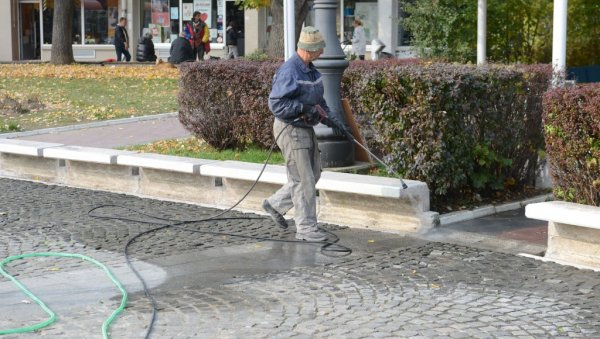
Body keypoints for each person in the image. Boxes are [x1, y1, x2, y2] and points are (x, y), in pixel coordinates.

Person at [262, 26, 346, 242]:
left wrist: (330, 119)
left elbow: (318, 101)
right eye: (320, 49)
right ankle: (307, 228)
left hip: (305, 127)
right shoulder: (290, 71)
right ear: (310, 49)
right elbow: (276, 104)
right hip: (290, 129)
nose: (322, 53)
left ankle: (275, 204)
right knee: (303, 179)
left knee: (314, 173)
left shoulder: (311, 69)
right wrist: (302, 108)